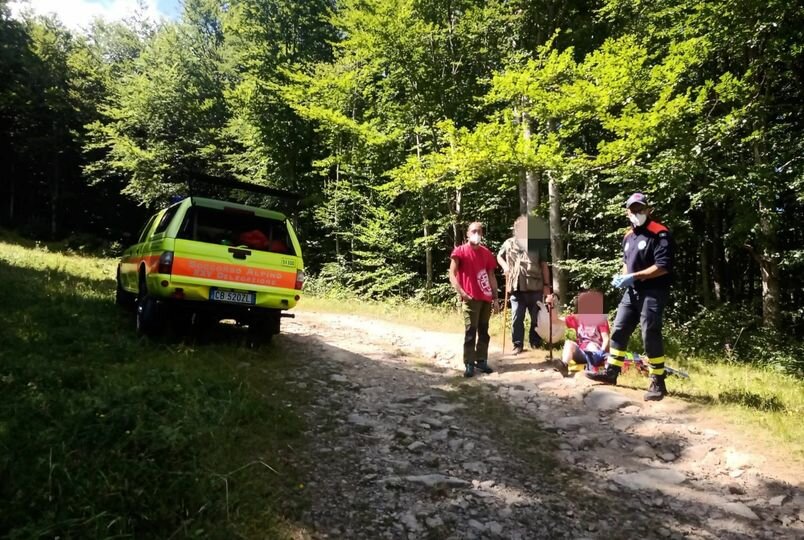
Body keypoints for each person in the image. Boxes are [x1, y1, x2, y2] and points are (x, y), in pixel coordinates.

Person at [587, 192, 674, 401]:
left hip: (653, 291)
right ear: (627, 212)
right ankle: (611, 372)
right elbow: (626, 262)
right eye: (633, 210)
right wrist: (623, 276)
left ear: (648, 210)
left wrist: (634, 276)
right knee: (619, 329)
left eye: (640, 209)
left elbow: (663, 266)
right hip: (632, 291)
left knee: (650, 333)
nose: (637, 213)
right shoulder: (628, 236)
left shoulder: (660, 233)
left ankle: (658, 381)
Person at [449, 221, 500, 377]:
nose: (476, 234)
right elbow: (452, 274)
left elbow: (491, 276)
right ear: (467, 233)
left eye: (479, 231)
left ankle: (481, 360)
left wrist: (495, 298)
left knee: (484, 331)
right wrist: (462, 293)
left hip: (486, 298)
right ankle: (469, 363)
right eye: (473, 231)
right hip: (470, 298)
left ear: (482, 234)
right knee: (471, 331)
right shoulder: (460, 251)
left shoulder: (487, 253)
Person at [497, 215, 552, 354]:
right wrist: (505, 266)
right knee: (517, 317)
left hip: (535, 286)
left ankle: (535, 343)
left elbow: (544, 265)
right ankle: (517, 345)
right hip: (516, 287)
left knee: (536, 317)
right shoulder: (508, 243)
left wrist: (547, 285)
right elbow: (499, 256)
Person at [556, 290, 610, 376]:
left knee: (591, 345)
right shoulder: (577, 318)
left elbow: (606, 339)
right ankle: (564, 365)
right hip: (581, 353)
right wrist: (551, 305)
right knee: (569, 343)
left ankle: (596, 367)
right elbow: (555, 321)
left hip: (596, 354)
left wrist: (601, 352)